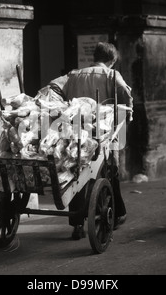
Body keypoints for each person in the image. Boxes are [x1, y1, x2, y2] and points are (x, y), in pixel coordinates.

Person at [51, 42, 133, 240]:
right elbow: (125, 94)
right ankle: (113, 213)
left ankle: (77, 225)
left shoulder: (73, 75)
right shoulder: (112, 75)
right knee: (108, 172)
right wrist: (127, 113)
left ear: (95, 57)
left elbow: (53, 86)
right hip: (103, 134)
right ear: (112, 60)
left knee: (76, 175)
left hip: (76, 133)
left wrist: (60, 105)